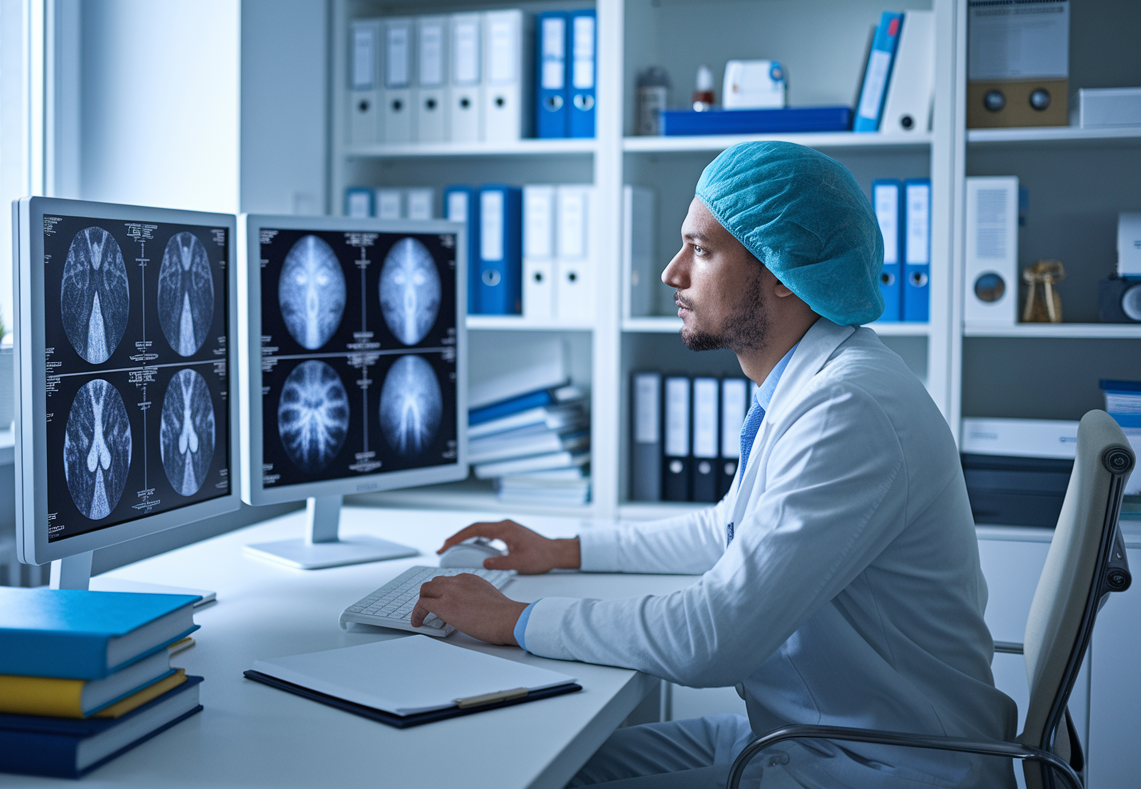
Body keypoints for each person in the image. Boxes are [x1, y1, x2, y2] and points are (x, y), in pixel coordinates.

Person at [410, 142, 1017, 788]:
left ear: (784, 269)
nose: (672, 273)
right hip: (813, 733)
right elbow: (724, 528)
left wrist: (515, 619)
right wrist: (561, 550)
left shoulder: (849, 407)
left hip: (880, 764)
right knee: (548, 771)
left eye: (700, 250)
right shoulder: (817, 383)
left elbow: (711, 638)